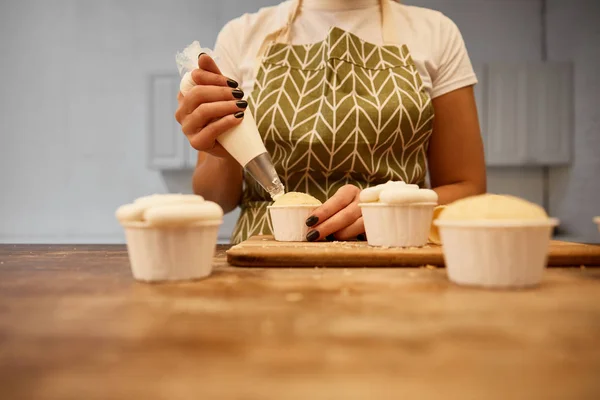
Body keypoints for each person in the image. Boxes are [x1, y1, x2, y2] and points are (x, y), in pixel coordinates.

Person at [175, 0, 487, 244]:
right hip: (265, 260)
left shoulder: (436, 33)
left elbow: (468, 188)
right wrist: (223, 150)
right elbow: (215, 200)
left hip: (395, 252)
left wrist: (386, 206)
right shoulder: (242, 35)